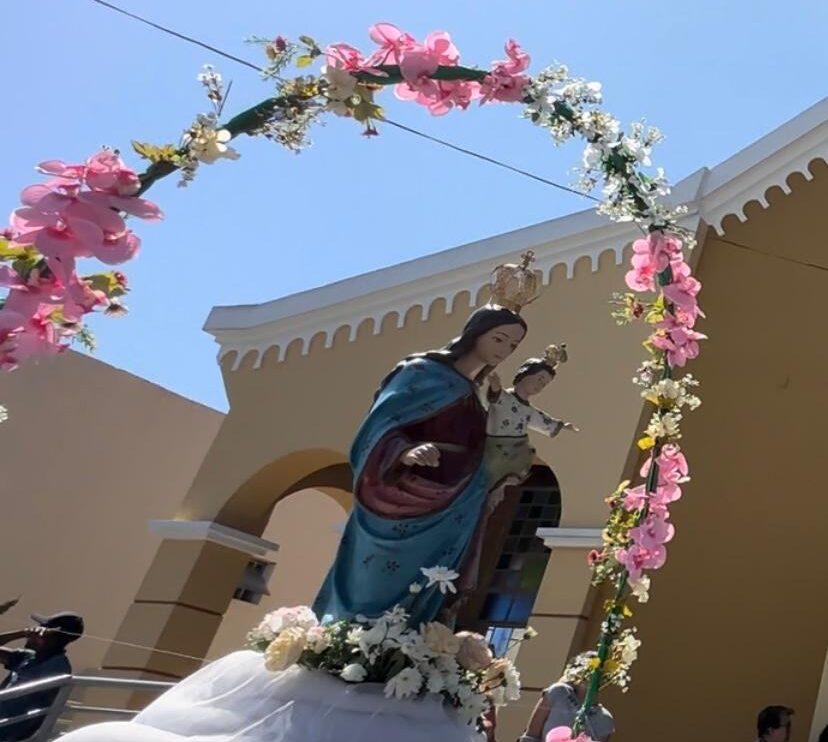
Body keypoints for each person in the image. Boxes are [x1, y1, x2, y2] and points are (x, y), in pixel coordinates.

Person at [313, 303, 528, 628]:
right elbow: (379, 426)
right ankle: (350, 644)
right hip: (400, 500)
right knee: (373, 587)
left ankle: (401, 652)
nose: (505, 351)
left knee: (427, 590)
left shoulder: (474, 395)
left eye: (513, 346)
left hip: (455, 507)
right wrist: (402, 451)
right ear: (475, 333)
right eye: (499, 339)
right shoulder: (422, 372)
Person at [484, 343, 577, 503]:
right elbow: (495, 395)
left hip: (516, 445)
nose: (539, 386)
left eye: (544, 384)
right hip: (496, 443)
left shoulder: (528, 410)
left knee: (526, 455)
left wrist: (561, 425)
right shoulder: (505, 398)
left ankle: (506, 483)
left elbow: (542, 420)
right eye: (539, 379)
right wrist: (494, 384)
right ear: (525, 374)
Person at [0, 612, 85, 741]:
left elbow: (36, 714)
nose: (31, 634)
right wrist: (21, 633)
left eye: (41, 628)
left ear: (51, 636)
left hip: (8, 733)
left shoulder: (57, 668)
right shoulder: (27, 657)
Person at [519, 654, 614, 742]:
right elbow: (530, 736)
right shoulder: (558, 692)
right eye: (590, 671)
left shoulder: (605, 719)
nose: (593, 677)